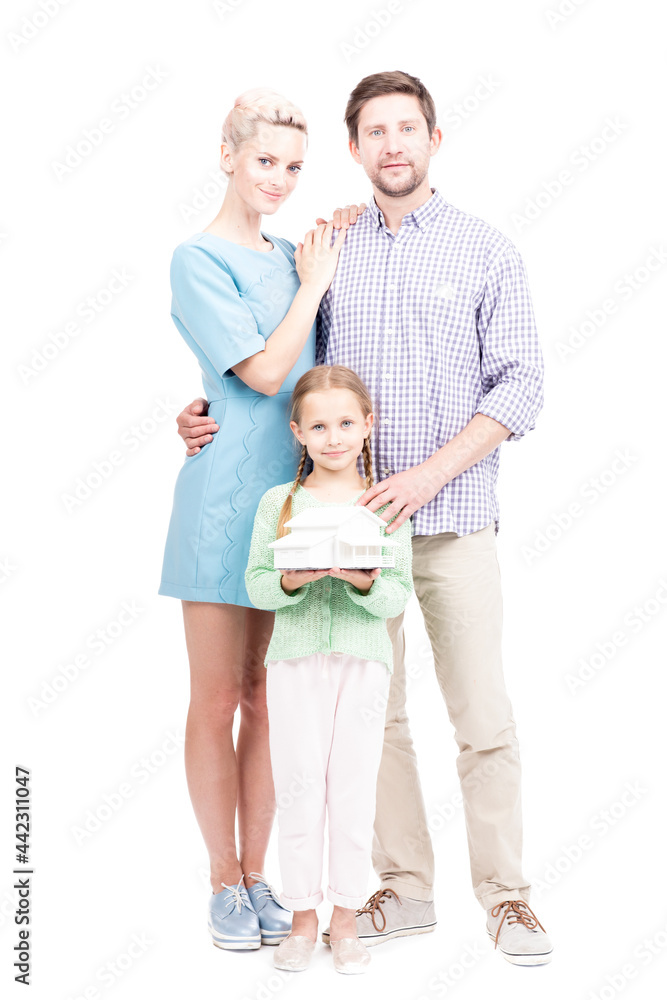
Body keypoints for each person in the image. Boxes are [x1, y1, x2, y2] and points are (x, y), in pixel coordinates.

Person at [175, 70, 552, 967]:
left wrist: (425, 475)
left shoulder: (485, 250)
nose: (391, 145)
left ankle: (506, 899)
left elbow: (523, 385)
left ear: (432, 139)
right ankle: (403, 888)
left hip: (452, 515)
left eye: (406, 129)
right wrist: (198, 415)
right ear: (354, 150)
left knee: (482, 716)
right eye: (373, 132)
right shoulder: (327, 248)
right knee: (370, 722)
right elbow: (279, 372)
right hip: (345, 529)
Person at [158, 87, 349, 951]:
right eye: (264, 160)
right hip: (223, 500)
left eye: (293, 167)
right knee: (215, 698)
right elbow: (267, 376)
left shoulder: (289, 251)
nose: (278, 179)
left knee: (270, 700)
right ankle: (220, 882)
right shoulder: (197, 259)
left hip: (294, 505)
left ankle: (260, 874)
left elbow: (306, 381)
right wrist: (311, 288)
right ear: (228, 154)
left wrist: (312, 270)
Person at [244, 365, 413, 974]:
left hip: (364, 663)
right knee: (299, 787)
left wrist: (361, 582)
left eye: (346, 423)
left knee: (352, 789)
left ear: (367, 426)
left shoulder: (386, 504)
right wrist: (295, 577)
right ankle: (302, 918)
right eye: (319, 425)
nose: (333, 437)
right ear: (298, 432)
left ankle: (346, 919)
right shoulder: (280, 503)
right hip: (294, 662)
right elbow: (259, 585)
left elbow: (397, 595)